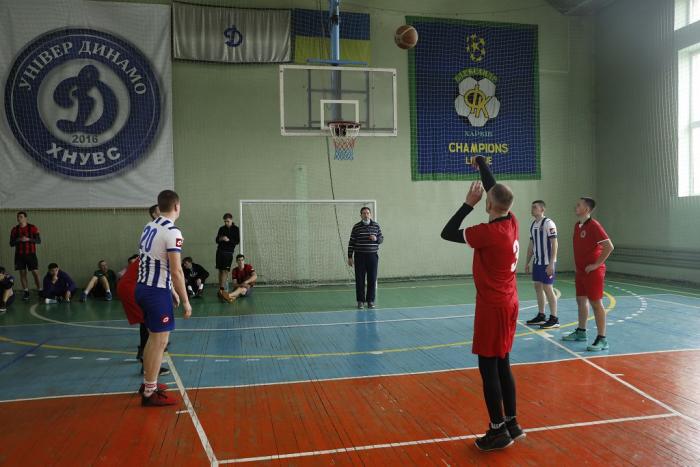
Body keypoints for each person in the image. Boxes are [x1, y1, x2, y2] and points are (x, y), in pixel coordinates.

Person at [440, 155, 524, 451]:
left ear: (488, 204)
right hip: (510, 302)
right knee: (503, 363)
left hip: (492, 306)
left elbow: (447, 233)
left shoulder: (488, 233)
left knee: (488, 368)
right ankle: (512, 423)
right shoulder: (511, 221)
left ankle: (497, 430)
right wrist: (481, 164)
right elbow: (495, 189)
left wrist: (468, 204)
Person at [135, 190, 191, 406]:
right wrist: (185, 300)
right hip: (155, 292)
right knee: (160, 341)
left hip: (143, 288)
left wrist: (171, 291)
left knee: (153, 339)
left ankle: (148, 383)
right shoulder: (172, 232)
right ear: (177, 206)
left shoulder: (150, 226)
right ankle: (150, 393)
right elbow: (176, 270)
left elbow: (155, 262)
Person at [563, 197, 615, 351]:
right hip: (581, 271)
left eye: (579, 205)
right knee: (581, 300)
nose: (576, 206)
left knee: (596, 303)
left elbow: (609, 246)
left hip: (593, 272)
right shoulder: (577, 225)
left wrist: (596, 265)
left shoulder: (594, 225)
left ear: (586, 209)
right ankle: (581, 332)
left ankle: (602, 339)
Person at [117, 254, 169, 378]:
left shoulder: (150, 253)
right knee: (152, 328)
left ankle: (144, 356)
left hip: (129, 286)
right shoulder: (159, 255)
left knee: (146, 322)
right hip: (131, 288)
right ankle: (148, 367)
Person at [524, 200, 560, 329]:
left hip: (546, 263)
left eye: (535, 207)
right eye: (532, 207)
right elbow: (531, 245)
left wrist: (551, 263)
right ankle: (541, 315)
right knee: (538, 287)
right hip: (537, 262)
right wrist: (527, 262)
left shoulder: (548, 223)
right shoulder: (533, 224)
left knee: (548, 288)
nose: (532, 209)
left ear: (542, 209)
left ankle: (554, 318)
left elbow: (554, 243)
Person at [347, 207, 384, 309]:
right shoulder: (356, 227)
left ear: (370, 214)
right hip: (360, 256)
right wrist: (350, 257)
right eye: (364, 213)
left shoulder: (376, 226)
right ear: (361, 215)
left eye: (367, 213)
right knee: (360, 279)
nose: (366, 215)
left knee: (372, 279)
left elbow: (381, 239)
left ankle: (370, 301)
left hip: (372, 256)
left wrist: (376, 238)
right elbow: (351, 242)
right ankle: (360, 301)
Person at [9, 211, 42, 301]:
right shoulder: (14, 229)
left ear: (25, 218)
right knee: (22, 274)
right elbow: (11, 243)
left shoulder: (33, 227)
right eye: (18, 217)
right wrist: (19, 239)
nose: (19, 218)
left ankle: (40, 290)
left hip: (31, 254)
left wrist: (28, 239)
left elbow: (38, 241)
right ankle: (26, 292)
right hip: (19, 255)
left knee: (35, 273)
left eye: (21, 217)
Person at [215, 213, 240, 301]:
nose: (226, 223)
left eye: (228, 221)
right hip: (220, 251)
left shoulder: (236, 229)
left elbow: (237, 241)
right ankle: (220, 289)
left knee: (225, 270)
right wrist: (221, 238)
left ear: (231, 220)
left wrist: (228, 240)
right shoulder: (221, 229)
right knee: (220, 270)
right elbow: (216, 240)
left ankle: (222, 289)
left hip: (228, 252)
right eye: (225, 221)